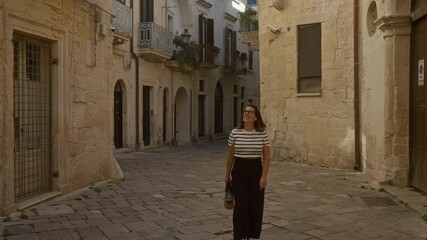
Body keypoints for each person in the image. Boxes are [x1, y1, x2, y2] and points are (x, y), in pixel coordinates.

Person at [225, 104, 271, 240]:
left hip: (256, 171)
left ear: (256, 117)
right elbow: (230, 157)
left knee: (255, 205)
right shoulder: (235, 133)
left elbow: (267, 157)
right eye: (245, 111)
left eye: (250, 112)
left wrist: (264, 177)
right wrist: (227, 176)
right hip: (239, 172)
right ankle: (239, 236)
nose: (246, 113)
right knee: (241, 205)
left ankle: (250, 234)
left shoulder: (262, 133)